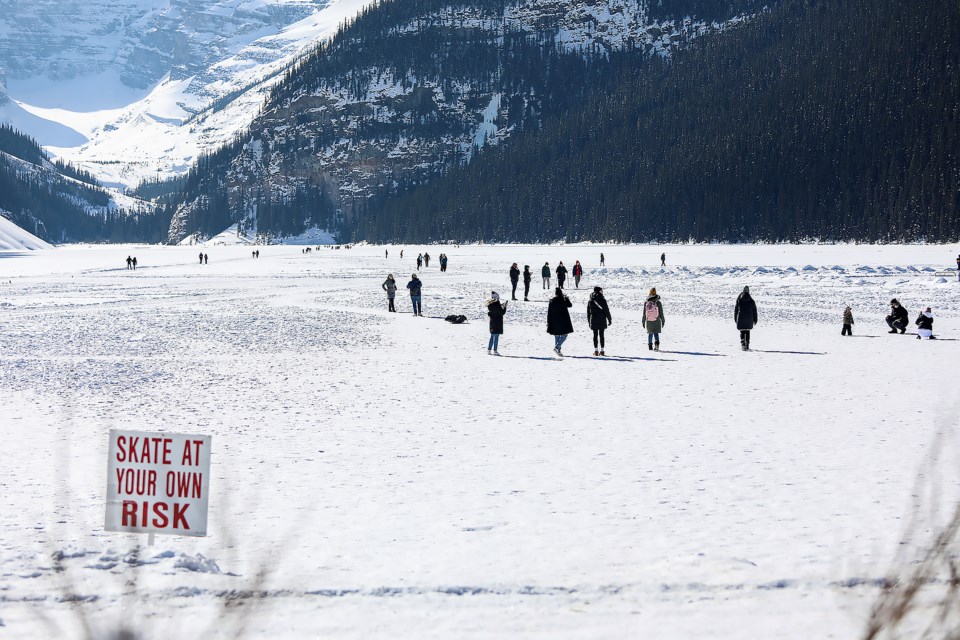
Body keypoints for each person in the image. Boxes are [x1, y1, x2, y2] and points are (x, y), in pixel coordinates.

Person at [547, 287, 574, 356]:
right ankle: (557, 347)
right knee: (564, 335)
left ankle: (558, 351)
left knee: (557, 335)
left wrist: (548, 322)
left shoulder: (552, 301)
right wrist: (567, 298)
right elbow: (570, 305)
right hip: (563, 320)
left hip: (554, 320)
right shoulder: (562, 300)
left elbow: (549, 312)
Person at [587, 286, 612, 356]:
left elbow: (588, 312)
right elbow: (606, 310)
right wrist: (609, 319)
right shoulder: (602, 300)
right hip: (602, 319)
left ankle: (596, 351)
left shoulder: (590, 300)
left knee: (595, 335)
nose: (602, 292)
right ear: (598, 291)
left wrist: (589, 321)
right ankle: (602, 351)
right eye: (601, 290)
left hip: (593, 319)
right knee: (602, 335)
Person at [735, 286, 758, 351]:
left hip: (741, 318)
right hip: (749, 318)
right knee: (747, 331)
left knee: (742, 331)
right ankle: (747, 345)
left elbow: (736, 309)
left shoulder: (739, 299)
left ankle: (743, 344)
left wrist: (735, 318)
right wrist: (755, 319)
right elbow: (754, 311)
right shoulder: (751, 300)